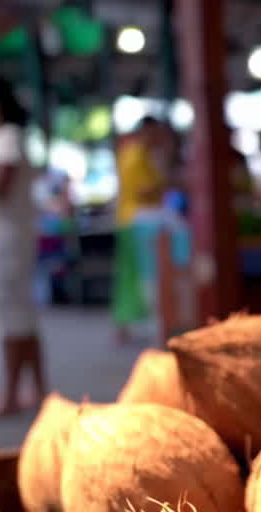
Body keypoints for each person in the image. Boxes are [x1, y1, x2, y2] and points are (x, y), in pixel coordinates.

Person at [0, 77, 44, 415]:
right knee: (22, 317)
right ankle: (37, 389)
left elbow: (0, 186)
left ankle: (13, 394)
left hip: (8, 241)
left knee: (13, 317)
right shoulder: (10, 138)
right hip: (13, 237)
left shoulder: (7, 138)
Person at [113, 117, 173, 343]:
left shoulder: (136, 153)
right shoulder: (136, 155)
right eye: (156, 132)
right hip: (137, 221)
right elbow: (144, 191)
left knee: (129, 276)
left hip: (132, 220)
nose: (158, 137)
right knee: (143, 276)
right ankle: (149, 325)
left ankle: (124, 326)